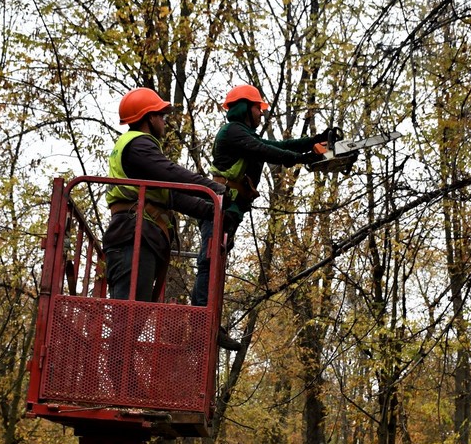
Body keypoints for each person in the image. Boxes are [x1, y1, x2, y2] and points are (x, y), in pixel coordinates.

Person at [189, 84, 333, 311]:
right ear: (245, 108)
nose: (262, 112)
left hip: (231, 208)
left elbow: (279, 145)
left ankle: (207, 313)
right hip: (218, 206)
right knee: (209, 260)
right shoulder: (232, 132)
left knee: (216, 260)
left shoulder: (245, 135)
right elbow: (266, 151)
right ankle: (200, 315)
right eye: (258, 108)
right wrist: (304, 158)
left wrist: (315, 140)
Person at [103, 88, 239, 317]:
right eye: (161, 116)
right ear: (148, 118)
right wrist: (214, 189)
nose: (164, 122)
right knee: (128, 319)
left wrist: (214, 211)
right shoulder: (138, 145)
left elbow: (172, 196)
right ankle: (119, 354)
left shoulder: (140, 155)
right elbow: (170, 172)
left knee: (133, 319)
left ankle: (123, 352)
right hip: (133, 236)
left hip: (139, 236)